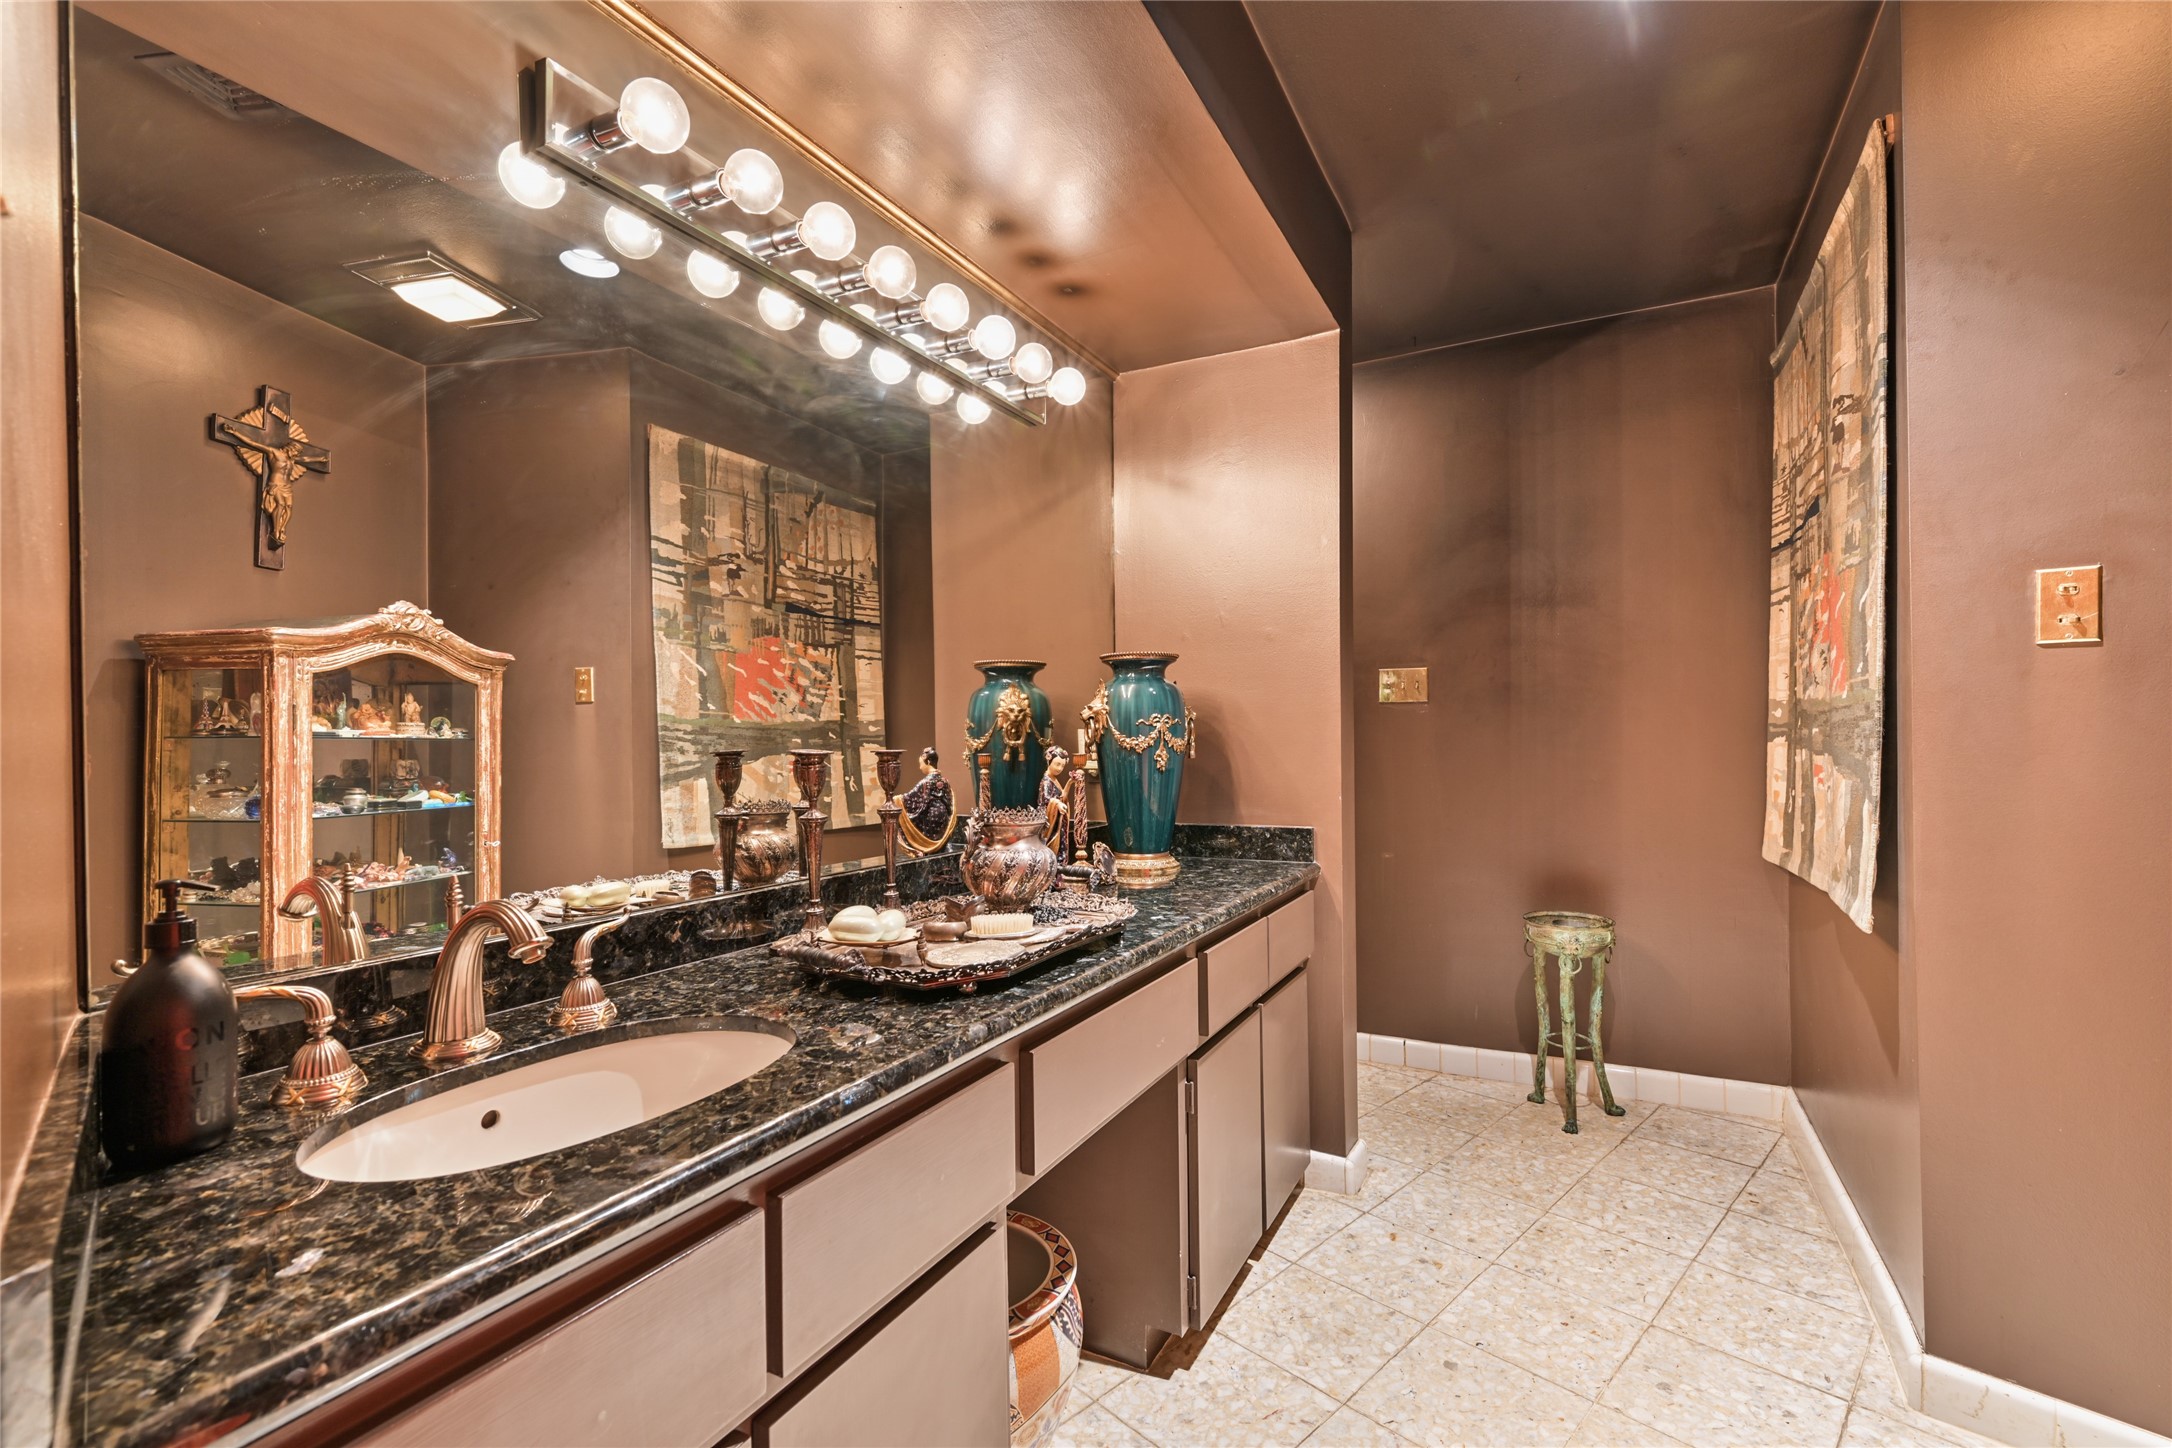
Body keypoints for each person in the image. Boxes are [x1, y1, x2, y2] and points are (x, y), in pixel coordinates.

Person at [900, 746, 954, 847]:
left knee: (931, 840)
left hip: (931, 815)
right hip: (943, 815)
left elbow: (911, 797)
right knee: (940, 842)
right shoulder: (944, 780)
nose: (920, 767)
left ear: (928, 762)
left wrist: (898, 799)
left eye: (920, 764)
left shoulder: (926, 782)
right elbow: (949, 800)